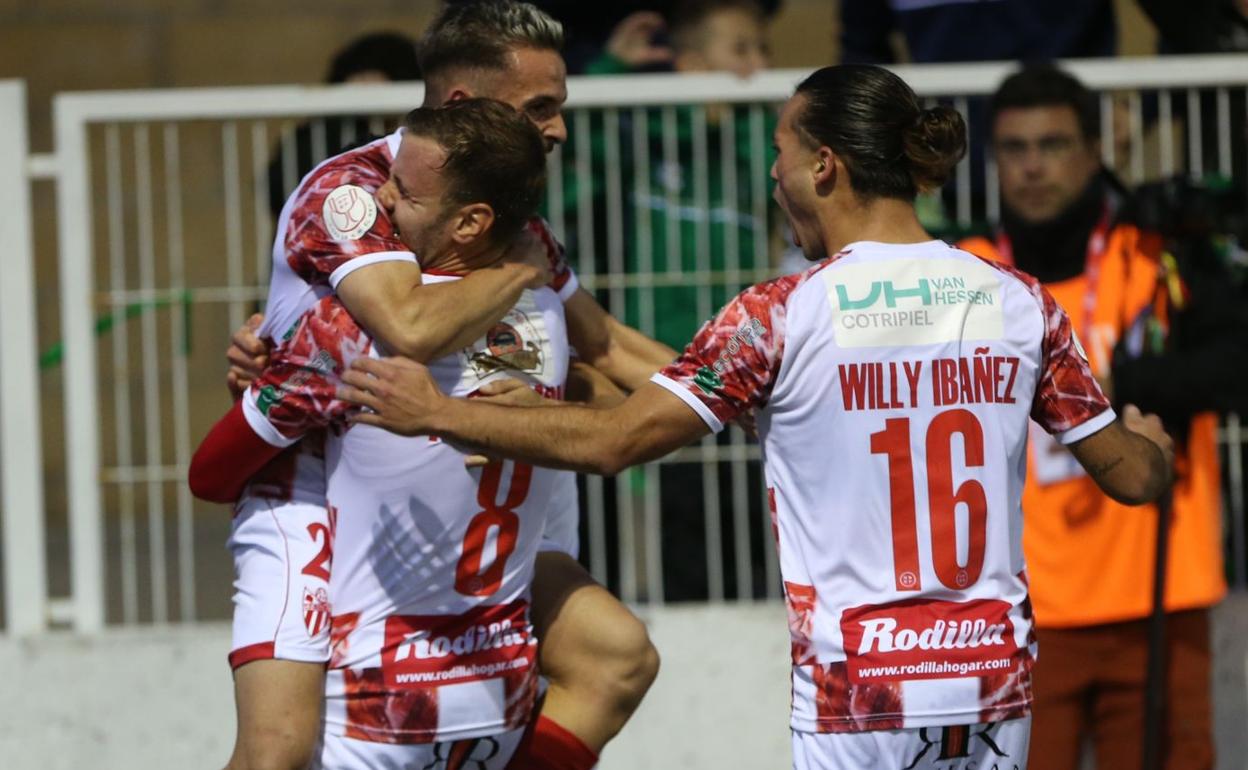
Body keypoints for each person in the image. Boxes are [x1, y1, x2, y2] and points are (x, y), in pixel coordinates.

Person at [335, 64, 1176, 768]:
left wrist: (438, 411)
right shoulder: (1018, 301)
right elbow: (1135, 479)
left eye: (780, 152)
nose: (771, 175)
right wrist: (1153, 447)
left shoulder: (780, 315)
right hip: (991, 680)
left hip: (861, 691)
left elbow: (612, 445)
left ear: (824, 167)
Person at [218, 3, 669, 769]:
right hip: (316, 497)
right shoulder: (355, 190)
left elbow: (606, 344)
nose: (556, 128)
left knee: (614, 657)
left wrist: (735, 394)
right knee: (280, 750)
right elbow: (412, 329)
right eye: (540, 108)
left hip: (451, 488)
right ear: (463, 106)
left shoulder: (507, 213)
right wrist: (522, 270)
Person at [958, 65, 1240, 770]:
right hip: (1016, 612)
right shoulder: (963, 274)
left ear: (1093, 150)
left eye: (1052, 145)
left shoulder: (1152, 255)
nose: (1031, 167)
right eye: (1015, 148)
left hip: (1159, 596)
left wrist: (1116, 382)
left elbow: (1238, 363)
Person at [265, 31, 422, 220]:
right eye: (360, 76)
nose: (364, 87)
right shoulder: (314, 139)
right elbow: (280, 191)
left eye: (372, 77)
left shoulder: (420, 140)